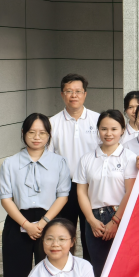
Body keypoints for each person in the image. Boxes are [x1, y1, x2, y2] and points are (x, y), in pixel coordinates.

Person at [0, 114, 71, 277]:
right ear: (23, 133)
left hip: (49, 222)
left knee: (51, 276)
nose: (37, 137)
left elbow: (63, 195)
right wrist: (26, 224)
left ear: (49, 136)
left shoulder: (59, 162)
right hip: (18, 220)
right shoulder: (10, 163)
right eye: (31, 132)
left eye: (42, 133)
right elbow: (6, 198)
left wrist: (44, 222)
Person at [75, 110, 138, 277]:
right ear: (98, 130)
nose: (108, 133)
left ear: (122, 130)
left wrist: (116, 221)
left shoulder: (129, 157)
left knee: (122, 270)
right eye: (104, 129)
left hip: (120, 216)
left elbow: (130, 192)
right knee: (98, 270)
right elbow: (81, 192)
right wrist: (91, 220)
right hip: (94, 219)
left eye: (114, 129)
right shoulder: (87, 159)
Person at [49, 74, 100, 261]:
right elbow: (49, 158)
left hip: (91, 186)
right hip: (65, 186)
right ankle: (65, 269)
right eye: (69, 91)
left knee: (91, 235)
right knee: (64, 233)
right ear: (62, 94)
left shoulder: (97, 120)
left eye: (78, 91)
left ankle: (90, 273)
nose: (74, 95)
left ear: (85, 94)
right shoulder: (52, 123)